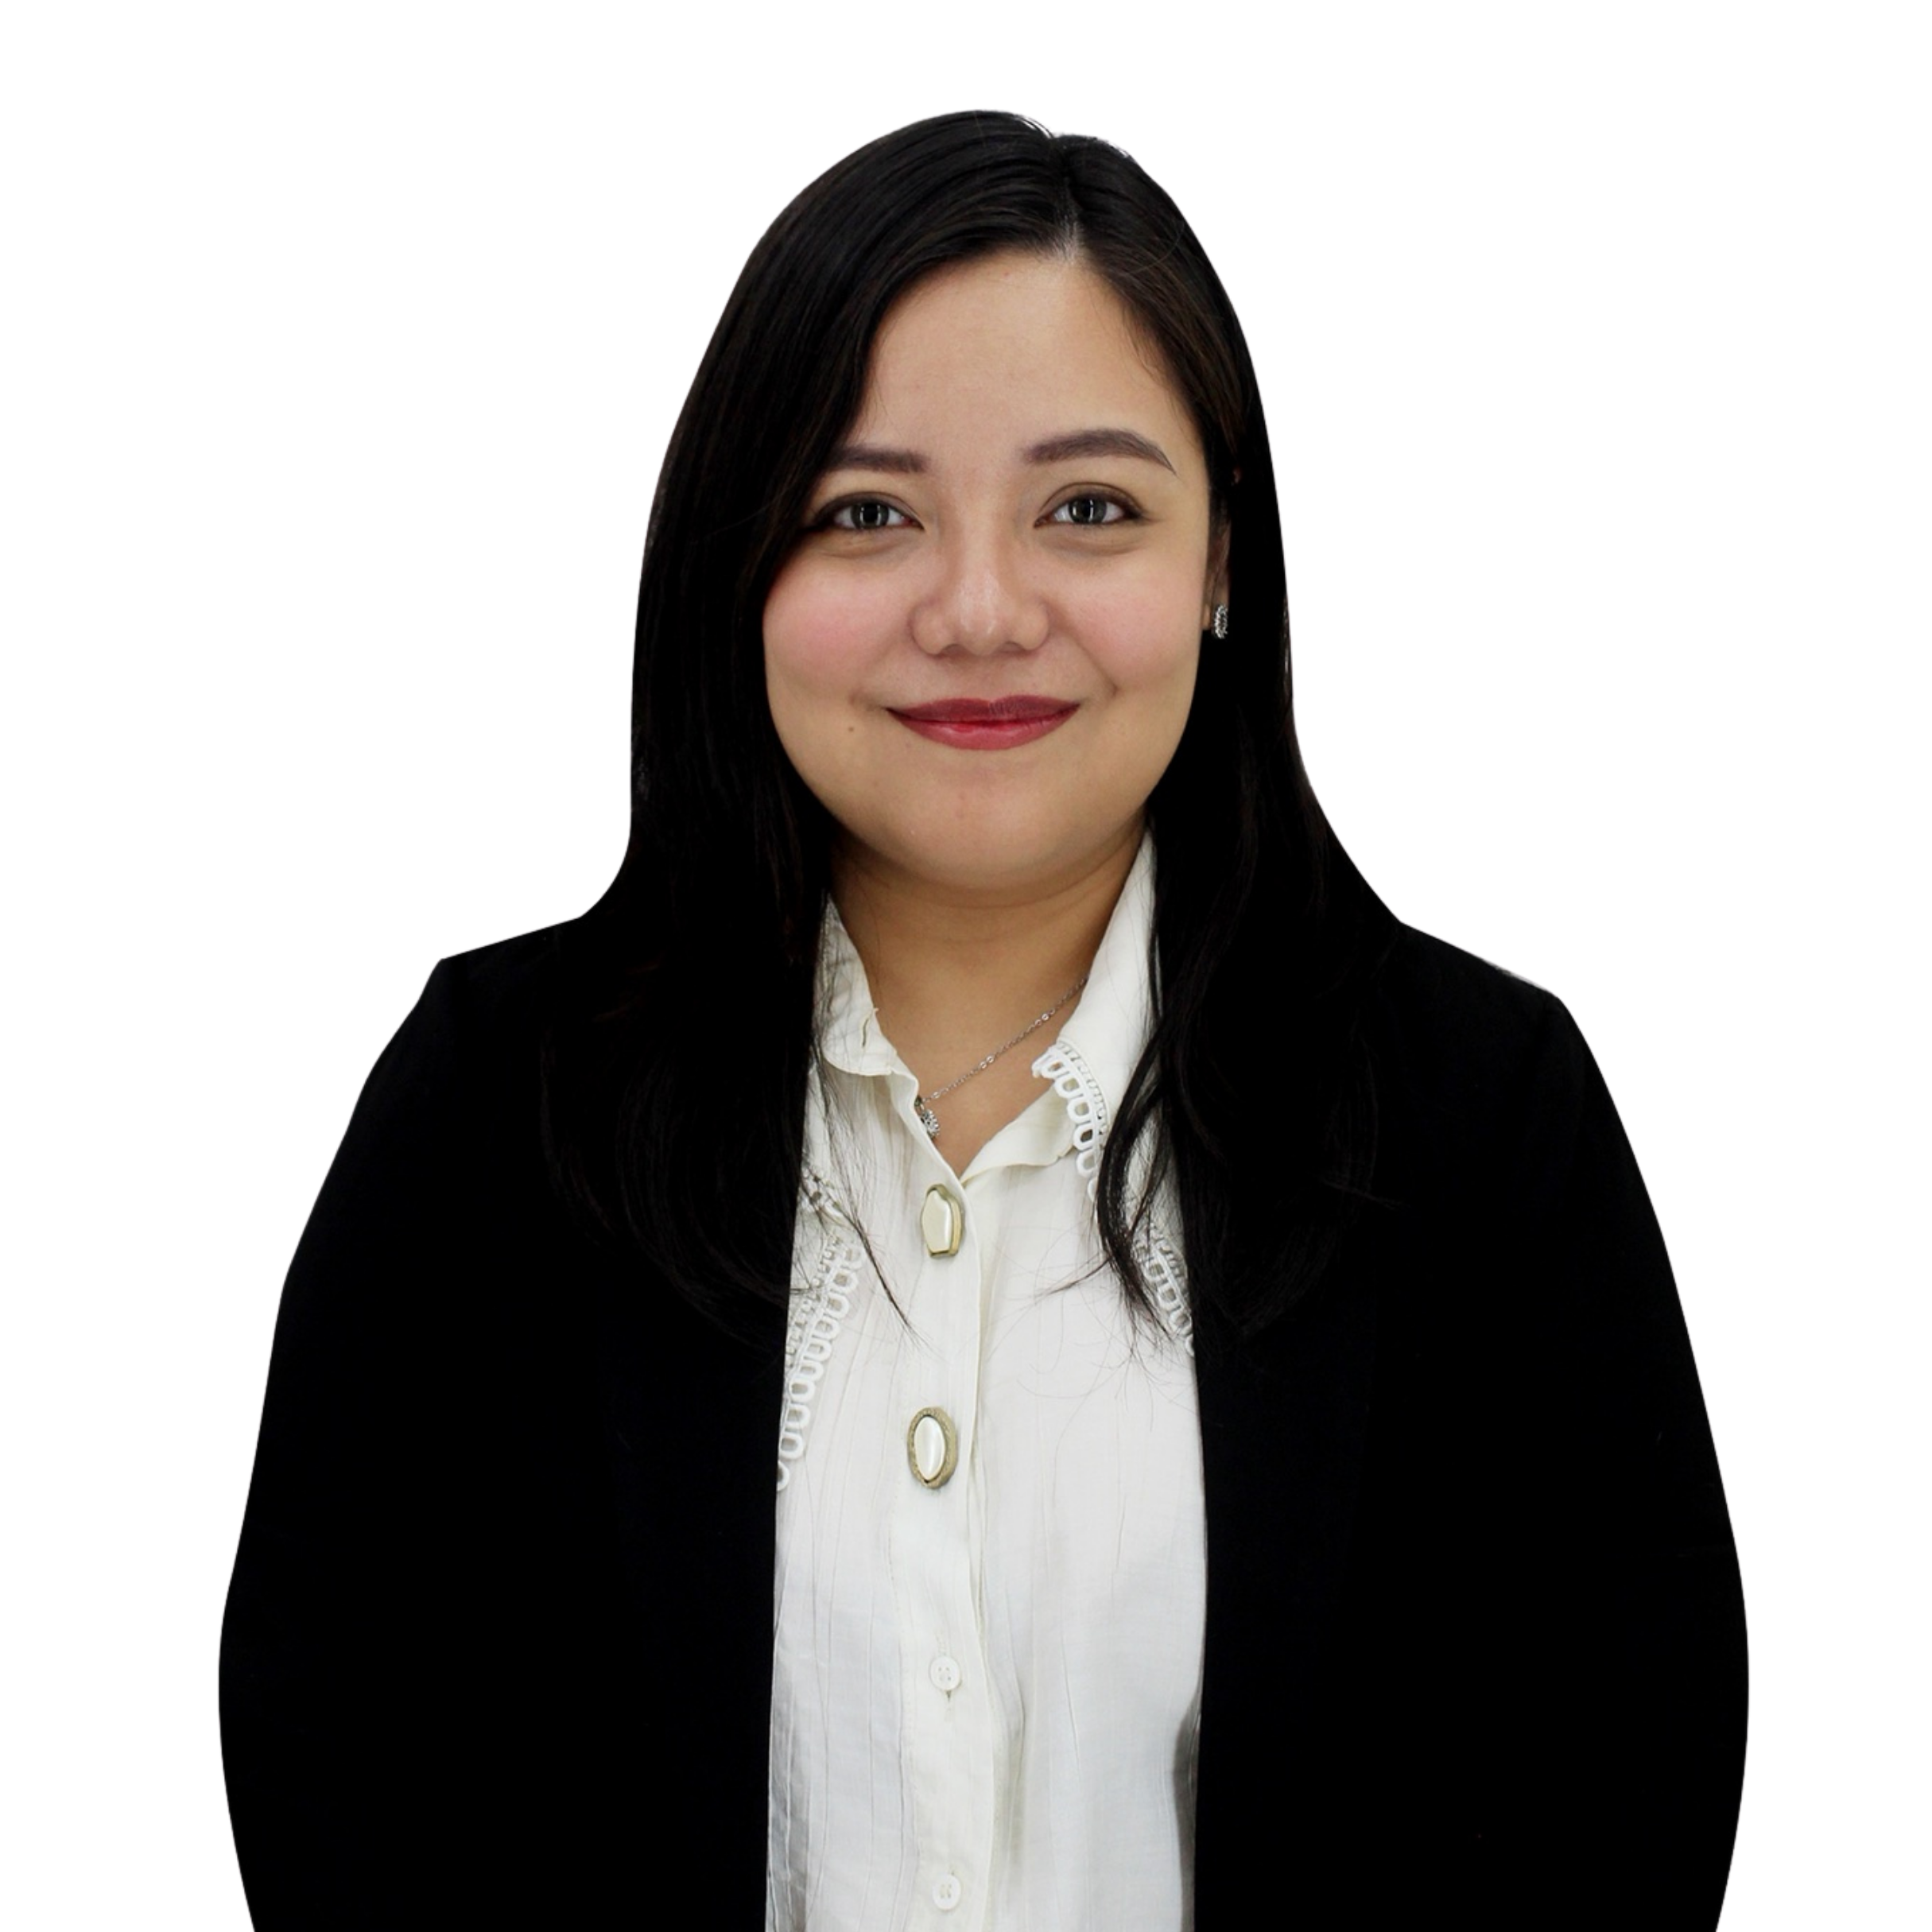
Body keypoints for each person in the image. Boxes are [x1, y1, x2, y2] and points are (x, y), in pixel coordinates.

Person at [219, 111, 1747, 1926]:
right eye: (865, 512)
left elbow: (1624, 1792)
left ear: (1223, 562)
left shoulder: (1484, 1118)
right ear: (735, 562)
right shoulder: (497, 1096)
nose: (978, 610)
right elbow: (334, 1757)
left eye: (1088, 508)